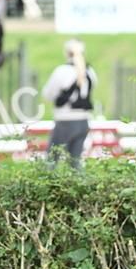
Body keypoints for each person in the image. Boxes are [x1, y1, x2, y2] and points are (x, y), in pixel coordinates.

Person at [42, 39, 97, 171]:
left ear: (67, 53)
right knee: (75, 161)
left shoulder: (62, 71)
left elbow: (48, 94)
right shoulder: (90, 72)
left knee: (52, 159)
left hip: (65, 121)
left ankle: (47, 187)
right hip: (83, 121)